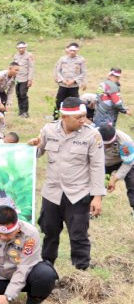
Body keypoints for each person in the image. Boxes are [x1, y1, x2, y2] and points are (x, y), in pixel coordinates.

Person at [28, 97, 105, 270]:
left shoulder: (92, 135)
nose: (83, 120)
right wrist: (32, 147)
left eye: (83, 116)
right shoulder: (48, 130)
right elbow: (37, 153)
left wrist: (97, 196)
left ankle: (81, 270)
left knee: (78, 235)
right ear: (64, 117)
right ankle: (46, 269)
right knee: (49, 233)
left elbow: (97, 166)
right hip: (52, 193)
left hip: (78, 194)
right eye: (78, 117)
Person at [99, 125, 134, 218]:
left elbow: (128, 163)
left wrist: (114, 179)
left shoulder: (125, 142)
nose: (105, 146)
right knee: (97, 184)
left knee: (132, 181)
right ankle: (92, 209)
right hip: (103, 163)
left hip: (122, 161)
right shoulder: (92, 136)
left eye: (108, 144)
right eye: (103, 144)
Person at [53, 43, 87, 119]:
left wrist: (74, 80)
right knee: (59, 101)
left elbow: (83, 72)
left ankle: (75, 116)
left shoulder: (81, 60)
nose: (72, 52)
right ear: (68, 50)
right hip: (63, 85)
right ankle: (56, 117)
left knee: (75, 102)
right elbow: (58, 71)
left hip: (74, 86)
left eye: (74, 51)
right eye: (71, 50)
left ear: (77, 51)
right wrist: (62, 80)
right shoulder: (62, 59)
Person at [13, 41, 35, 118]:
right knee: (18, 94)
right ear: (17, 48)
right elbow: (14, 67)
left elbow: (31, 68)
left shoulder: (29, 55)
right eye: (19, 48)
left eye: (22, 48)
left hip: (25, 78)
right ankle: (20, 111)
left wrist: (30, 79)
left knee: (23, 95)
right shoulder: (15, 56)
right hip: (17, 79)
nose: (21, 49)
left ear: (25, 47)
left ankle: (25, 112)